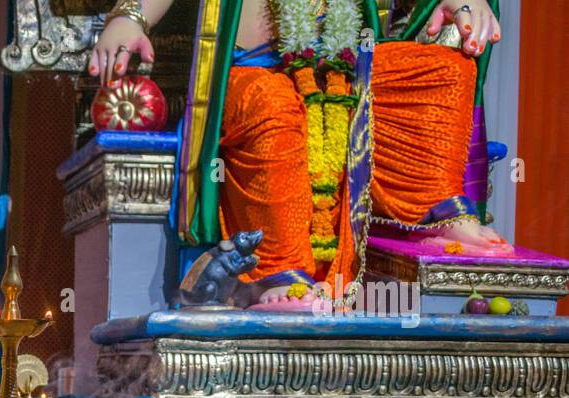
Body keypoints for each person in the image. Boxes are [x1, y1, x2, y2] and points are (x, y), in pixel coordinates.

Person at [91, 0, 509, 305]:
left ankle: (430, 210)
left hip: (351, 73)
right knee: (271, 104)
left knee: (444, 70)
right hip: (255, 72)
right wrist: (130, 17)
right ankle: (279, 269)